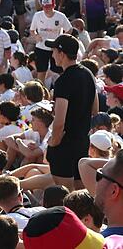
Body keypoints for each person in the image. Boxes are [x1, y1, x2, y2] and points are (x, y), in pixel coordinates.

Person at [45, 35, 98, 190]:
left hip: (65, 145)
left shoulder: (63, 81)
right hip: (82, 142)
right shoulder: (88, 74)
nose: (52, 55)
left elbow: (59, 121)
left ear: (61, 54)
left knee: (64, 195)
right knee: (80, 195)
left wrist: (53, 143)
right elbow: (95, 109)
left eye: (54, 51)